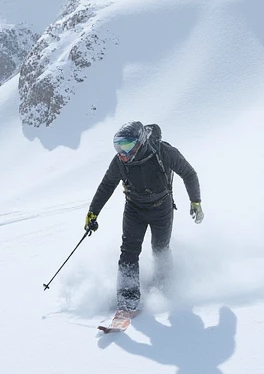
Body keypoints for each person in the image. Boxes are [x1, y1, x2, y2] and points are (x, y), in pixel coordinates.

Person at [85, 121, 203, 313]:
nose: (122, 153)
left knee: (160, 248)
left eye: (126, 147)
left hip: (161, 209)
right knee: (129, 250)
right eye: (118, 147)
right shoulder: (119, 162)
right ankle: (127, 296)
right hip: (134, 209)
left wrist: (195, 201)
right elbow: (107, 185)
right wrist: (93, 212)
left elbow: (189, 174)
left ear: (139, 143)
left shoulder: (164, 152)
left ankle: (164, 285)